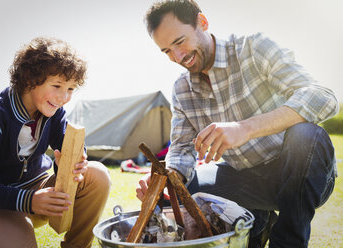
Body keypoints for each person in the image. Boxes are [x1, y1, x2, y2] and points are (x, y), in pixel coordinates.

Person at [136, 1, 339, 247]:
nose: (178, 57)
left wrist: (245, 128)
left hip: (300, 175)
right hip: (246, 180)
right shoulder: (182, 89)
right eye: (166, 51)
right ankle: (254, 224)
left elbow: (323, 97)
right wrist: (166, 179)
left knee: (307, 135)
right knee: (182, 186)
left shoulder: (253, 48)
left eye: (179, 42)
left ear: (202, 23)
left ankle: (287, 241)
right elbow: (180, 149)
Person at [0, 37, 111, 248]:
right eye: (57, 85)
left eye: (71, 88)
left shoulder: (53, 111)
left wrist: (75, 159)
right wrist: (28, 200)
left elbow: (66, 143)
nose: (64, 97)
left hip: (43, 190)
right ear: (30, 79)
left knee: (97, 174)